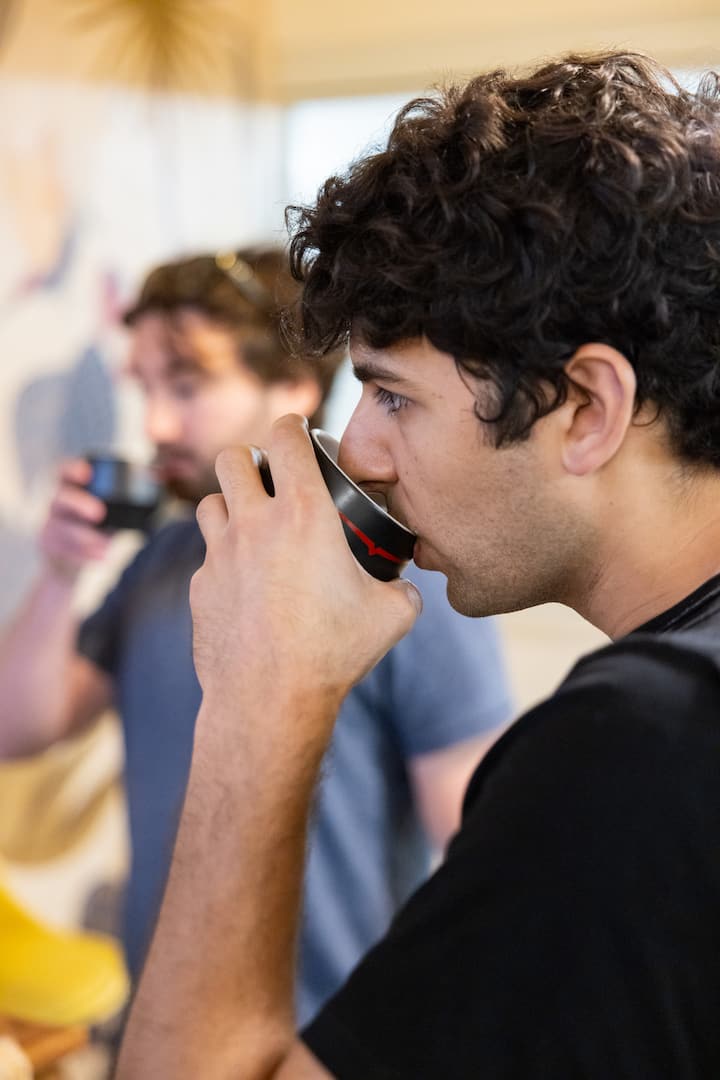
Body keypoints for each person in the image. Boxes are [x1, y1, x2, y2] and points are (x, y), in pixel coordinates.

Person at [115, 51, 720, 1078]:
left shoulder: (640, 749)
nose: (358, 452)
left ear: (587, 409)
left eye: (394, 395)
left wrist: (262, 700)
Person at [0, 247, 513, 1022]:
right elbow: (19, 729)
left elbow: (479, 847)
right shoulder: (161, 561)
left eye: (187, 386)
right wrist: (60, 574)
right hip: (165, 1028)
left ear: (293, 387)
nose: (157, 424)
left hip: (335, 1040)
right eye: (146, 387)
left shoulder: (399, 579)